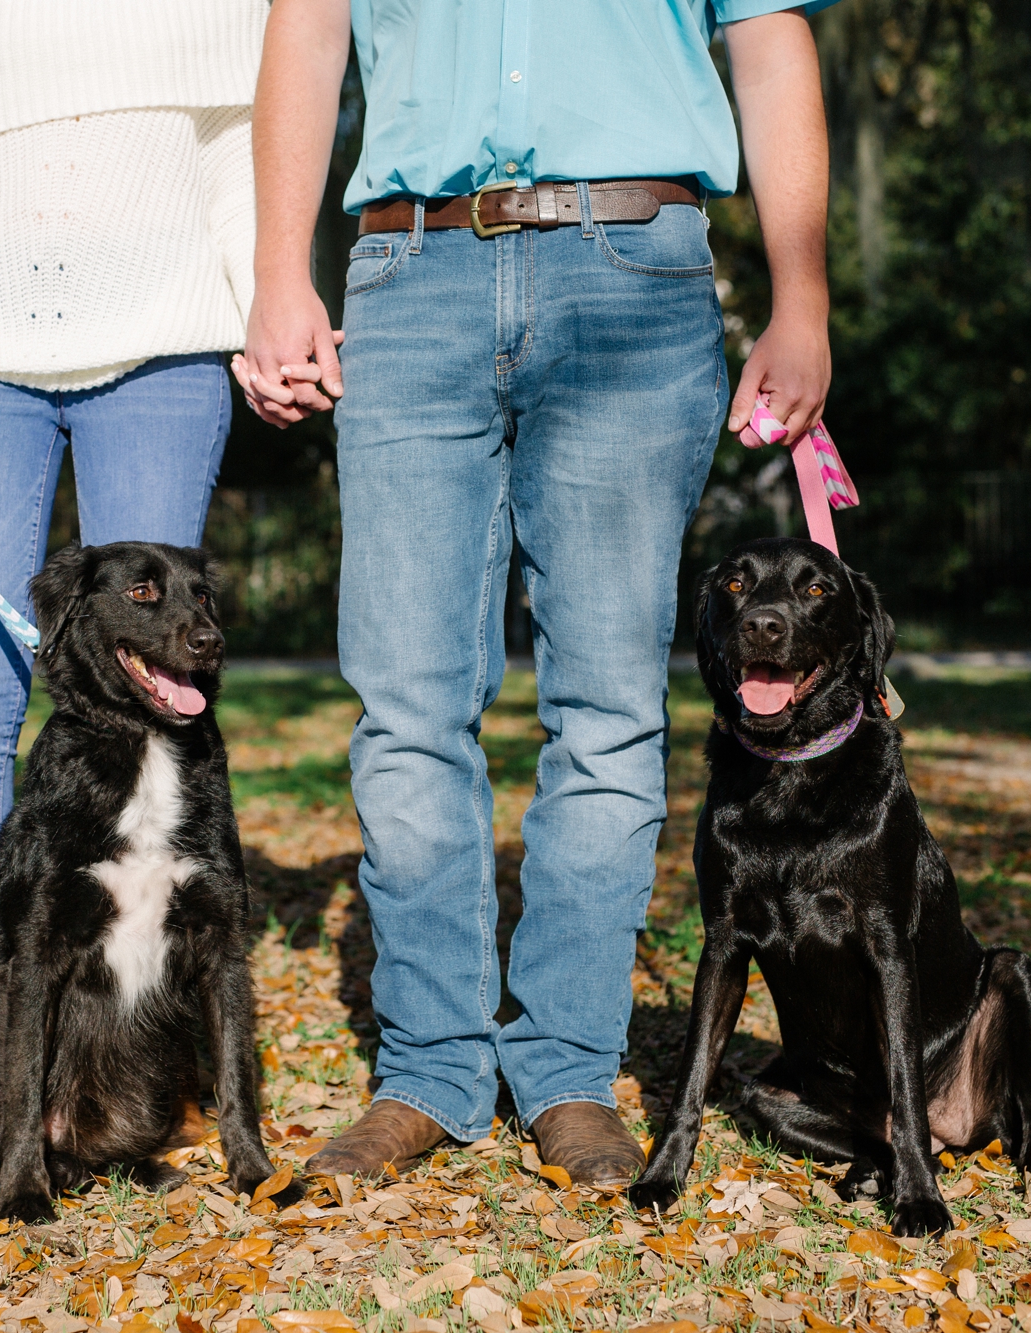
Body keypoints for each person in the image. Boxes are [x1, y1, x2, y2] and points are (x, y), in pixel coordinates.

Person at [235, 0, 838, 1183]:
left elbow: (770, 41)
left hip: (633, 269)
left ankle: (565, 1067)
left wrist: (801, 296)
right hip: (409, 276)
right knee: (405, 707)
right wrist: (275, 274)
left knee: (607, 706)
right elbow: (304, 34)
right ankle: (427, 1069)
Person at [0, 0, 269, 1154]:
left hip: (167, 348)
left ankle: (150, 1040)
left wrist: (259, 312)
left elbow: (238, 149)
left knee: (162, 680)